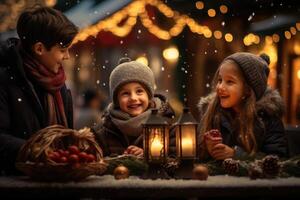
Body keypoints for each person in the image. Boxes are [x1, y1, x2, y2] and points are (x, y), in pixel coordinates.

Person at [0, 6, 78, 174]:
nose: (67, 56)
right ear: (39, 49)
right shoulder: (5, 80)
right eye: (62, 50)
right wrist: (36, 151)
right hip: (17, 185)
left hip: (58, 179)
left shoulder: (58, 83)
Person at [197, 52, 287, 161]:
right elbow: (199, 160)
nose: (220, 87)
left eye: (229, 82)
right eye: (220, 80)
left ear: (248, 90)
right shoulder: (213, 114)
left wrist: (236, 155)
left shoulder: (267, 118)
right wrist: (209, 150)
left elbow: (278, 159)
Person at [92, 57, 175, 157]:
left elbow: (174, 159)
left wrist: (149, 156)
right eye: (125, 93)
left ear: (149, 96)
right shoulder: (104, 130)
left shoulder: (167, 125)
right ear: (117, 100)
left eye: (139, 91)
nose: (133, 98)